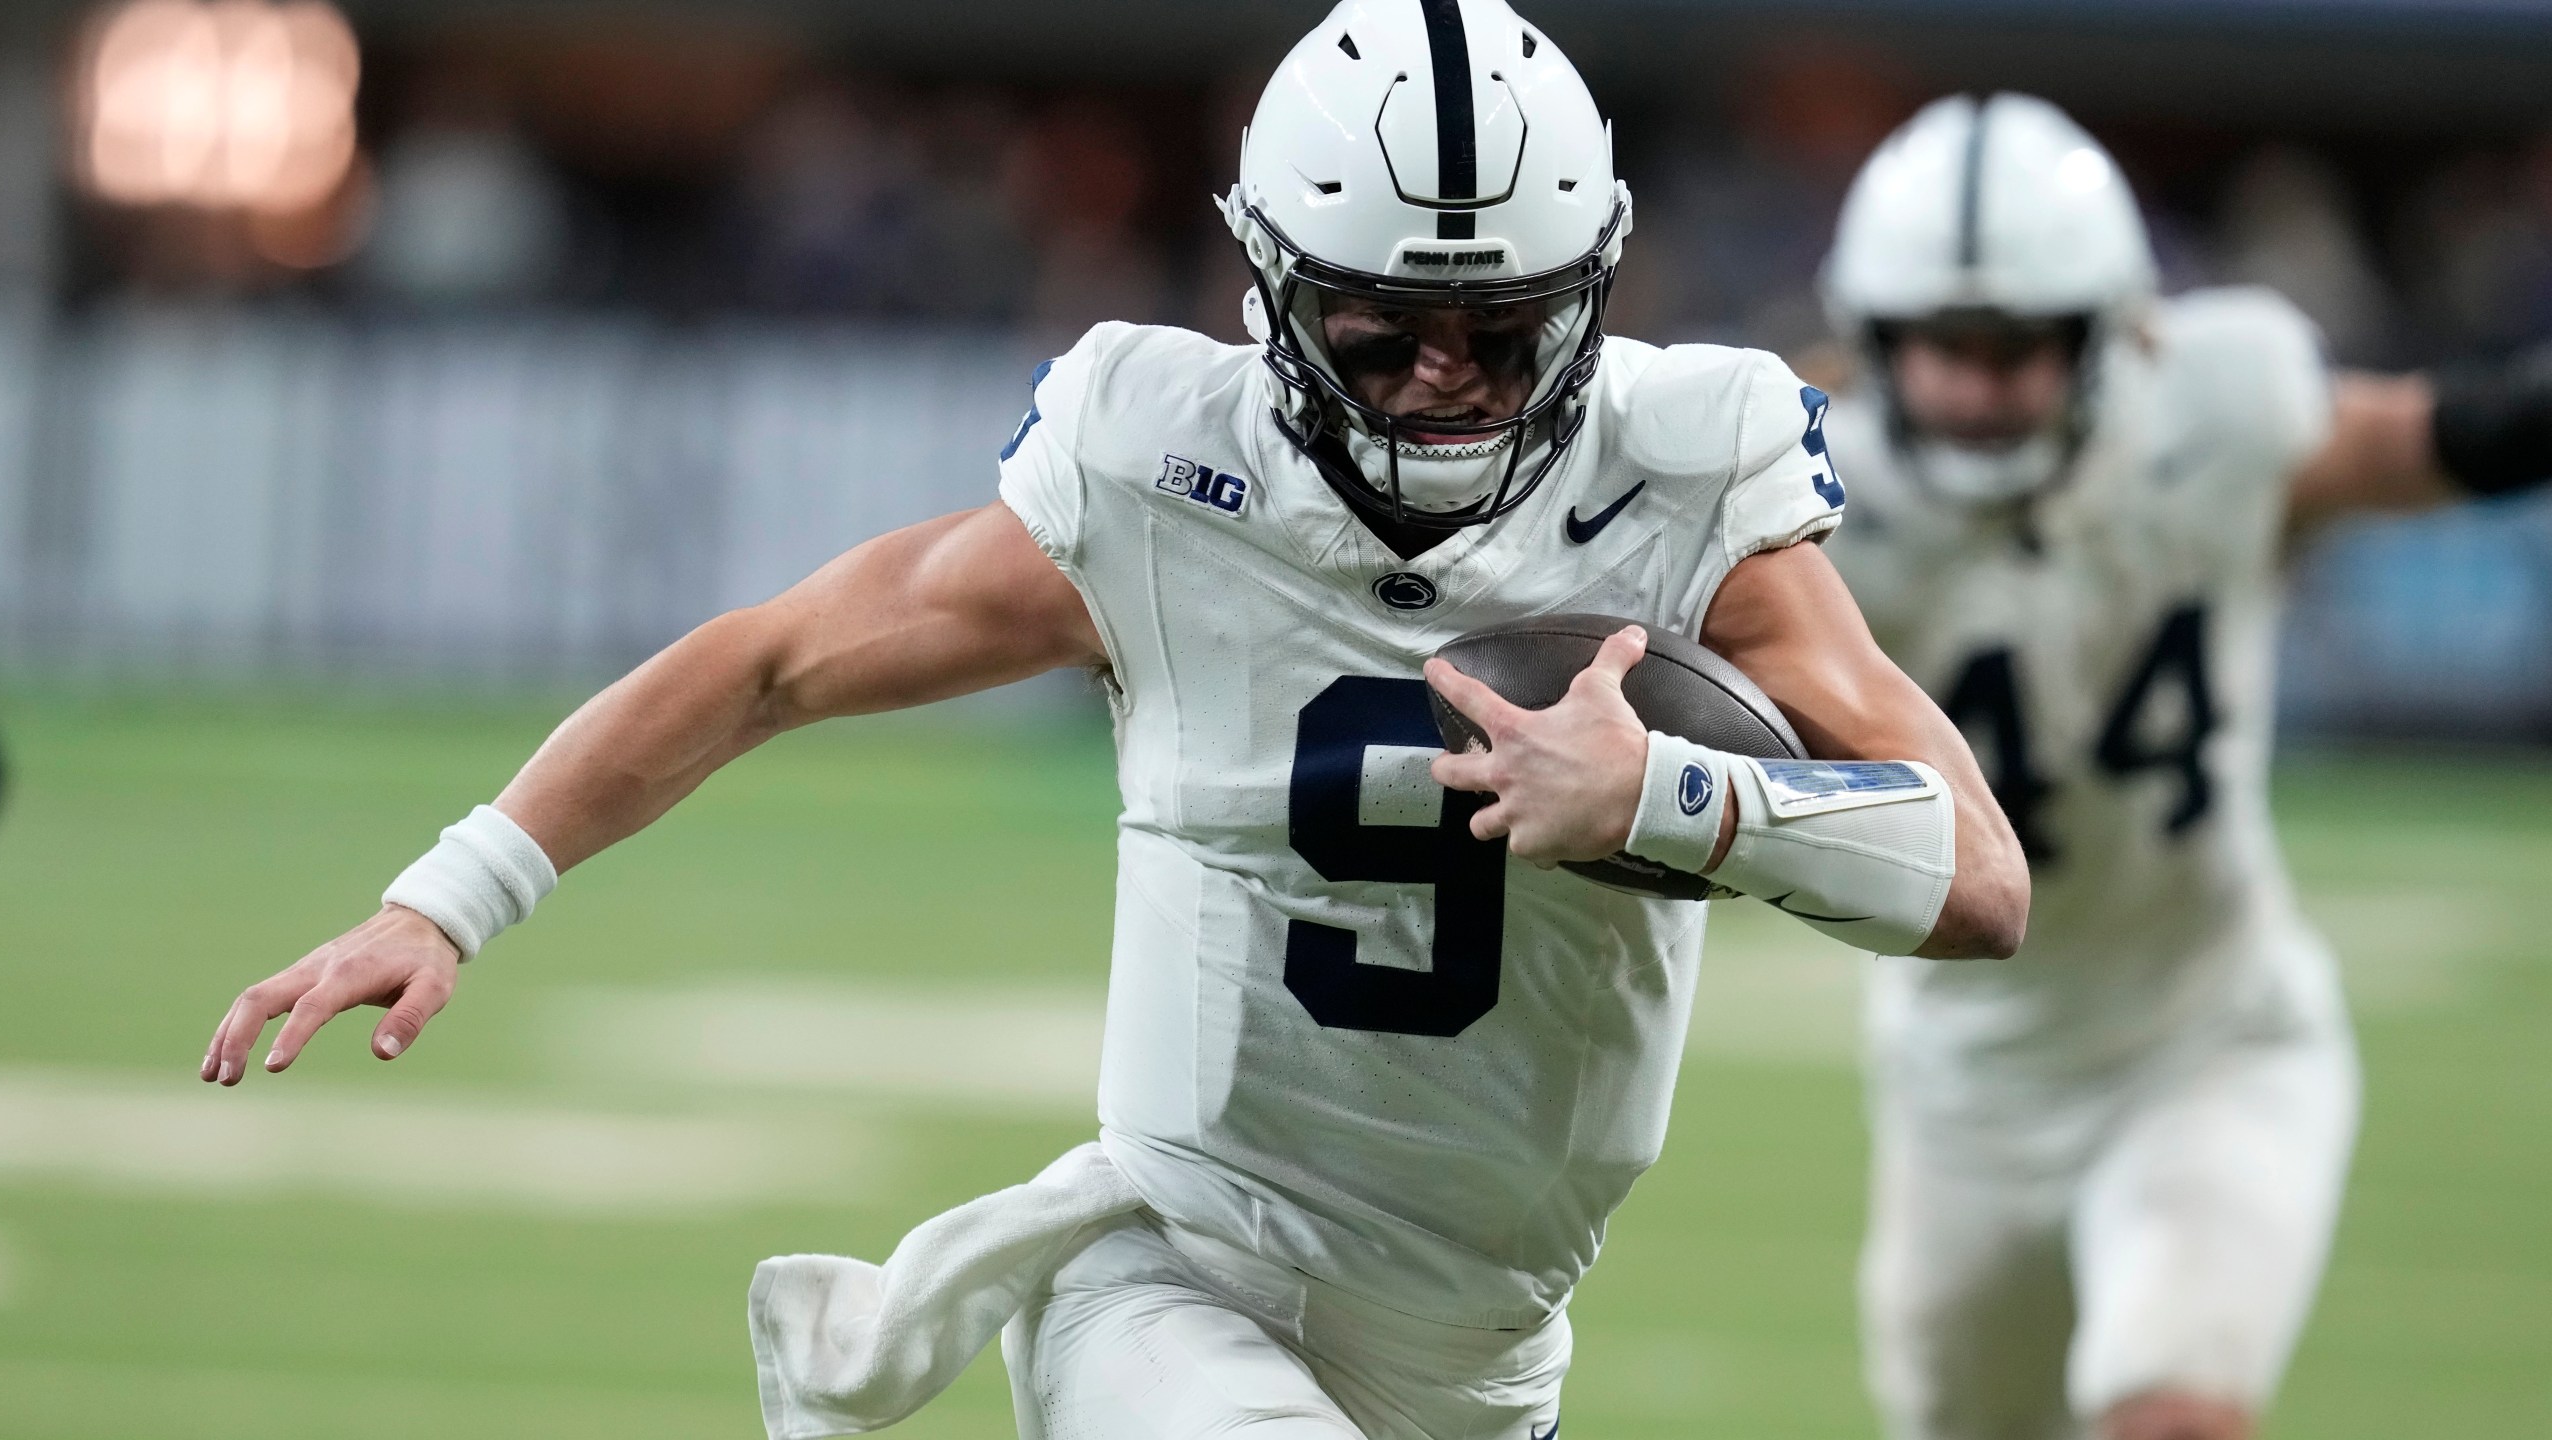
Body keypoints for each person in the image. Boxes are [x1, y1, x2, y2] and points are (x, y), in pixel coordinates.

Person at [200, 6, 2028, 1437]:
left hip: (1485, 1349)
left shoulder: (1685, 479)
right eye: (1387, 333)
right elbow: (769, 662)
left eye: (1505, 328)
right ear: (1273, 288)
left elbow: (1980, 881)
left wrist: (1679, 796)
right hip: (1181, 1275)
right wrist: (451, 894)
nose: (1449, 382)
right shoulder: (1164, 476)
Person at [1812, 93, 2552, 1440]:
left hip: (2203, 1041)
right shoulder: (1808, 508)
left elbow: (2437, 440)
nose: (1979, 391)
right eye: (1944, 348)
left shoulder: (2216, 411)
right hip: (1963, 1089)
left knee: (2170, 1415)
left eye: (2019, 347)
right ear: (1874, 342)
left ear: (2111, 336)